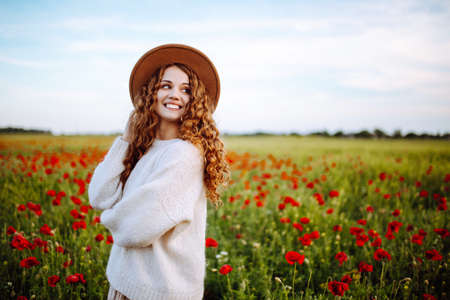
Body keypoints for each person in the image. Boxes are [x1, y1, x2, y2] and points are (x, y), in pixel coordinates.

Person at [88, 44, 230, 300]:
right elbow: (99, 196)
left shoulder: (185, 155)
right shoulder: (145, 148)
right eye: (166, 85)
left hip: (157, 290)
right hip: (127, 282)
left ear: (195, 101)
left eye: (186, 90)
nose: (175, 94)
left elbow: (133, 228)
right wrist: (127, 140)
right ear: (150, 93)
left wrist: (109, 218)